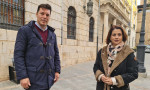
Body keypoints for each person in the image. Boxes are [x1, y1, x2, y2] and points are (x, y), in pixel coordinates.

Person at [14, 4, 61, 90]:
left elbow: (56, 53)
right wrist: (22, 76)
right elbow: (18, 54)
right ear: (36, 14)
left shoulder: (52, 34)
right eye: (42, 13)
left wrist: (57, 71)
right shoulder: (25, 31)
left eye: (47, 15)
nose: (44, 17)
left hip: (48, 79)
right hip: (32, 80)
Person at [93, 25, 138, 90]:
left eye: (119, 35)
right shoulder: (102, 51)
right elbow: (96, 66)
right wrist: (101, 76)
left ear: (123, 37)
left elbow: (133, 74)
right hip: (102, 87)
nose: (116, 37)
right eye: (114, 35)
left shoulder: (128, 53)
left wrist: (115, 80)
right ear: (110, 37)